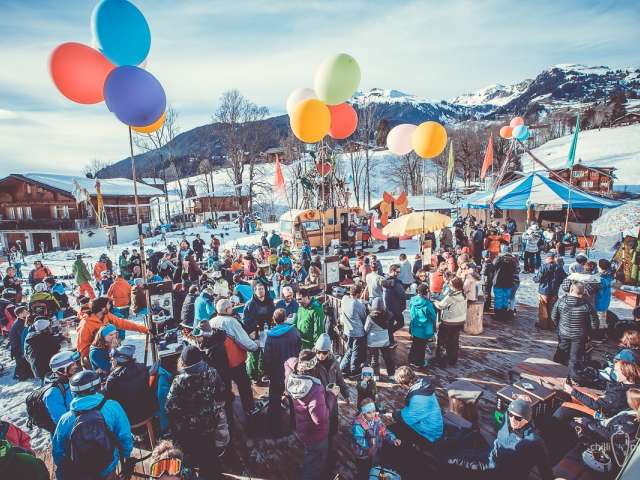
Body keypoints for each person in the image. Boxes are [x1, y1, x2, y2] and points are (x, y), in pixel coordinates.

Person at [52, 370, 133, 480]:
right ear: (99, 387)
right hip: (108, 465)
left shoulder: (65, 419)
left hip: (79, 470)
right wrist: (126, 455)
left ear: (73, 393)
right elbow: (125, 436)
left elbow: (58, 450)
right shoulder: (113, 407)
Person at [165, 346, 229, 479]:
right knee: (209, 457)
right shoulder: (212, 372)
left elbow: (170, 407)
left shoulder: (179, 381)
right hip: (210, 423)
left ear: (183, 362)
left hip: (189, 429)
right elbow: (222, 391)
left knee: (190, 458)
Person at [449, 399, 553, 479]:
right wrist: (519, 399)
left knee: (455, 463)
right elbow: (511, 408)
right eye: (511, 415)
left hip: (502, 473)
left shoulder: (533, 442)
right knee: (457, 453)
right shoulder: (507, 418)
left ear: (527, 420)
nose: (513, 420)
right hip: (490, 457)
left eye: (518, 418)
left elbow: (545, 470)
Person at [285, 349, 337, 480]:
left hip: (302, 427)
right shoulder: (315, 389)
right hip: (317, 434)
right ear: (314, 367)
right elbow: (320, 419)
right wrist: (331, 395)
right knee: (315, 461)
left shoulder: (291, 378)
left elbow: (288, 362)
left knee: (310, 453)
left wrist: (297, 365)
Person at [211, 299, 257, 412]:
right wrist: (255, 346)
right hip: (235, 362)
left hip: (219, 364)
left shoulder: (211, 322)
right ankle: (250, 409)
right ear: (227, 310)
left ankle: (229, 414)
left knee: (226, 389)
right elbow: (244, 341)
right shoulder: (231, 322)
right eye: (231, 307)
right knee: (244, 387)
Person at [264, 308, 302, 435]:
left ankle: (274, 427)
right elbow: (299, 349)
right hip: (291, 371)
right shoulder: (294, 332)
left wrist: (268, 372)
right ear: (286, 318)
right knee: (294, 398)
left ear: (274, 320)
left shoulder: (270, 336)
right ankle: (295, 424)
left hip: (276, 373)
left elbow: (267, 357)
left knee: (274, 400)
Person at [76, 297, 149, 363]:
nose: (110, 306)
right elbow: (82, 347)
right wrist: (93, 358)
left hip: (109, 352)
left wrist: (144, 329)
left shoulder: (106, 315)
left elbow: (122, 323)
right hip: (95, 357)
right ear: (102, 308)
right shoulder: (86, 323)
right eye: (108, 304)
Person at [551, 282, 597, 380]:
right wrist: (590, 334)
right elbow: (594, 323)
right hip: (579, 336)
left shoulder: (561, 301)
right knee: (575, 358)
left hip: (563, 332)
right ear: (583, 292)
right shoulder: (587, 305)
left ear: (571, 290)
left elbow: (554, 317)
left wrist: (560, 326)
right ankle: (573, 378)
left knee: (561, 353)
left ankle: (555, 374)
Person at [104, 344, 158, 426]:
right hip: (149, 411)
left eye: (112, 359)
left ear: (118, 360)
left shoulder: (113, 379)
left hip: (128, 418)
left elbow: (108, 399)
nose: (111, 361)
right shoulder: (143, 368)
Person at [390, 366, 443, 447]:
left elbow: (407, 419)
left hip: (431, 433)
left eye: (400, 384)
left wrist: (394, 414)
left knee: (395, 428)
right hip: (434, 424)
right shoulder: (422, 385)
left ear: (403, 384)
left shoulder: (418, 398)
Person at [352, 398, 401, 480]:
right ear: (363, 413)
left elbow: (384, 430)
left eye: (374, 411)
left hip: (375, 450)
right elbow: (359, 440)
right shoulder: (357, 425)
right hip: (363, 454)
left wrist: (393, 439)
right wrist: (370, 443)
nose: (372, 415)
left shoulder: (376, 419)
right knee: (363, 470)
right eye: (369, 412)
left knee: (373, 466)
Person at [434, 277, 467, 366]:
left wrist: (435, 302)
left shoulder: (451, 297)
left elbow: (440, 306)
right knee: (454, 341)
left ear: (453, 286)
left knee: (442, 341)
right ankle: (453, 360)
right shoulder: (464, 294)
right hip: (459, 321)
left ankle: (440, 360)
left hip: (448, 322)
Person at [44, 350, 79, 427]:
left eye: (76, 363)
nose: (76, 366)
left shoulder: (72, 381)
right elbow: (63, 422)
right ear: (62, 370)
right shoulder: (53, 393)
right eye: (72, 365)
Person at [340, 284, 368, 376]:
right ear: (359, 293)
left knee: (350, 350)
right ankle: (354, 370)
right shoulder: (357, 304)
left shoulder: (344, 299)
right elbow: (364, 317)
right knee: (356, 352)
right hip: (358, 332)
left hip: (348, 331)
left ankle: (342, 367)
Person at [365, 297, 396, 379]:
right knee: (388, 358)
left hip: (373, 341)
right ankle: (391, 375)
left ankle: (376, 376)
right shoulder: (389, 315)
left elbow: (366, 329)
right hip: (384, 340)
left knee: (374, 359)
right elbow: (390, 327)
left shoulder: (370, 317)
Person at [24, 318, 63, 383]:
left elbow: (26, 354)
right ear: (45, 329)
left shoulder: (31, 337)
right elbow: (57, 347)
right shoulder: (45, 338)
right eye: (49, 327)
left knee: (45, 381)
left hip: (37, 368)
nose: (51, 328)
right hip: (47, 368)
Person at [408, 283, 437, 369]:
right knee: (421, 346)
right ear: (426, 293)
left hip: (415, 326)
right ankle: (419, 362)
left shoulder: (412, 300)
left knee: (415, 343)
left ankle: (411, 359)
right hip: (424, 328)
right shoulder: (428, 304)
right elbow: (433, 316)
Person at [534, 252, 561, 330]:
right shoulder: (559, 267)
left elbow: (538, 279)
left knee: (543, 308)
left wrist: (534, 278)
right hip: (555, 291)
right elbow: (564, 277)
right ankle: (552, 325)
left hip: (544, 291)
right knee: (552, 308)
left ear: (548, 258)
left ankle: (543, 325)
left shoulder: (543, 267)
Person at [382, 264, 406, 348]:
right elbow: (402, 295)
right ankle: (389, 338)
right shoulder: (396, 283)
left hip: (388, 307)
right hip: (396, 308)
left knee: (390, 325)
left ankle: (389, 337)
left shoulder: (385, 281)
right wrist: (410, 296)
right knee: (401, 323)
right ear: (392, 271)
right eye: (398, 272)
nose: (399, 274)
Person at [492, 252, 518, 322]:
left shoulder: (499, 260)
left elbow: (493, 265)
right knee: (505, 298)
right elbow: (516, 270)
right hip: (508, 283)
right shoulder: (513, 261)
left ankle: (498, 314)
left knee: (498, 298)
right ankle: (504, 313)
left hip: (498, 282)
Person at [9, 305, 32, 380]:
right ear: (20, 314)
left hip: (19, 347)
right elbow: (22, 338)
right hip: (18, 348)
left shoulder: (22, 321)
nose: (27, 312)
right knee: (22, 364)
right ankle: (21, 376)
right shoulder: (19, 324)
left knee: (23, 363)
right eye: (25, 311)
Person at [595, 258, 614, 332]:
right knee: (603, 316)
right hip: (605, 299)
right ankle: (602, 329)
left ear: (600, 267)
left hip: (599, 300)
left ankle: (600, 333)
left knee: (599, 318)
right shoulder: (609, 275)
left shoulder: (599, 277)